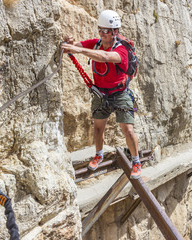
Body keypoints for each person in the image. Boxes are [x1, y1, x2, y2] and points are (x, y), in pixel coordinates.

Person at [61, 10, 141, 179]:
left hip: (120, 93)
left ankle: (136, 161)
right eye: (100, 30)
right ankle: (99, 155)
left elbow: (105, 57)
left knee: (127, 129)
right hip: (101, 93)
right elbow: (79, 46)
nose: (103, 34)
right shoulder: (96, 43)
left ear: (115, 32)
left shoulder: (122, 51)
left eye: (106, 31)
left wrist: (77, 50)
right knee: (98, 128)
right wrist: (71, 44)